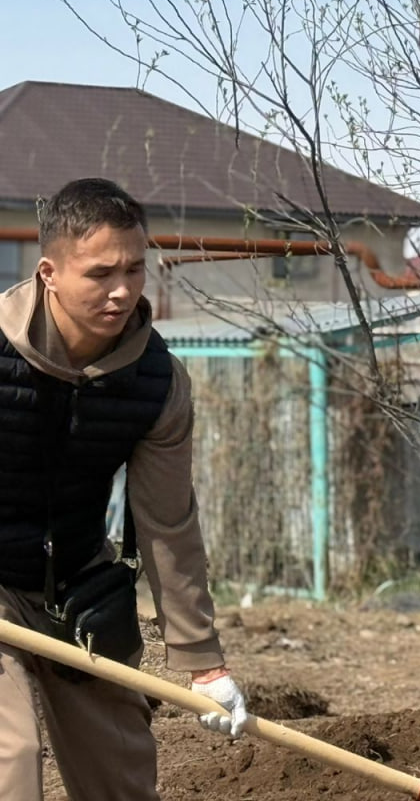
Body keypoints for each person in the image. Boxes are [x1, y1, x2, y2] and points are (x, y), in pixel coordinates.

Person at [0, 178, 248, 799]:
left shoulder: (155, 381)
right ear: (50, 273)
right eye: (100, 273)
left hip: (76, 582)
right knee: (10, 758)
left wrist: (202, 663)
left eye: (135, 269)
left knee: (121, 772)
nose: (121, 290)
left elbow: (167, 523)